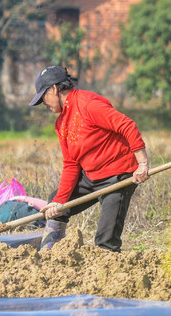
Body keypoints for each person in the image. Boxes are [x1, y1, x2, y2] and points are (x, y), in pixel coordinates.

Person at [28, 65, 149, 252]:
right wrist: (60, 201)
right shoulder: (61, 123)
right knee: (55, 203)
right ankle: (50, 255)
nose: (44, 103)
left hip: (118, 175)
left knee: (105, 241)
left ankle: (109, 272)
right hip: (92, 176)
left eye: (43, 97)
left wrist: (142, 163)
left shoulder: (89, 104)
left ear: (53, 89)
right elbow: (71, 163)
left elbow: (127, 125)